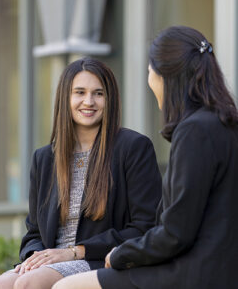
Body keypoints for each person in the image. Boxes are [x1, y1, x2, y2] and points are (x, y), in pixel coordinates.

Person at [53, 26, 238, 289]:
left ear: (165, 76)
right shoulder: (226, 125)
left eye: (150, 72)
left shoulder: (194, 131)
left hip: (194, 272)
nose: (149, 80)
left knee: (65, 287)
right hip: (220, 269)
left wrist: (121, 254)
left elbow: (176, 233)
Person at [0, 57, 162, 289]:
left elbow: (144, 226)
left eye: (98, 93)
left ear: (109, 99)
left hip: (101, 260)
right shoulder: (45, 158)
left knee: (30, 283)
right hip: (52, 261)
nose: (89, 101)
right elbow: (34, 232)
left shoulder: (133, 147)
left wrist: (74, 252)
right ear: (65, 98)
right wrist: (36, 257)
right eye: (80, 92)